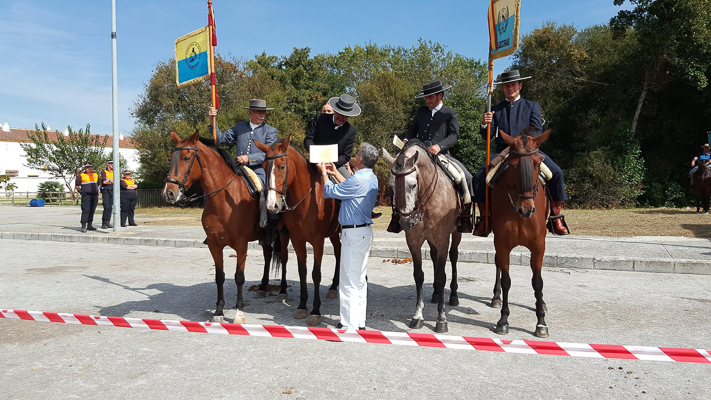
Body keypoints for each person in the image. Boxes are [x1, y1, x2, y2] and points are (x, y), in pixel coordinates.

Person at [475, 69, 569, 236]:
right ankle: (483, 219)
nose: (509, 88)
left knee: (557, 173)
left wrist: (522, 144)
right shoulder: (495, 109)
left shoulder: (532, 106)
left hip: (528, 151)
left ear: (520, 85)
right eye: (506, 86)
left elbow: (537, 130)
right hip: (503, 151)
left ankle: (555, 216)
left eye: (512, 85)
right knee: (479, 177)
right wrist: (485, 124)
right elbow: (487, 137)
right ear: (503, 88)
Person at [387, 80, 474, 233]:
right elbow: (412, 129)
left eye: (430, 97)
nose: (427, 101)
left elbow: (454, 135)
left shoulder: (450, 113)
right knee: (398, 175)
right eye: (426, 98)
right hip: (418, 154)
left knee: (465, 177)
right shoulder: (421, 111)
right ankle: (396, 215)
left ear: (440, 95)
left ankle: (465, 216)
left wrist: (439, 146)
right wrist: (405, 141)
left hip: (441, 154)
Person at [317, 142, 379, 331]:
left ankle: (348, 324)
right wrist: (336, 172)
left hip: (353, 232)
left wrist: (324, 174)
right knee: (359, 280)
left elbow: (330, 192)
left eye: (357, 153)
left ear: (360, 159)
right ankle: (359, 322)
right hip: (364, 231)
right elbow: (350, 188)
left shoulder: (357, 180)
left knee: (348, 281)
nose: (356, 155)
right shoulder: (371, 177)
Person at [209, 99, 278, 228]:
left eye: (263, 112)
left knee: (263, 189)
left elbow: (269, 152)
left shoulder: (270, 131)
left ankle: (268, 224)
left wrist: (249, 158)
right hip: (237, 167)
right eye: (258, 112)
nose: (262, 115)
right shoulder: (240, 126)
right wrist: (212, 120)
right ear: (250, 113)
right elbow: (220, 139)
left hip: (258, 168)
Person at [304, 94, 360, 179]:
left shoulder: (351, 131)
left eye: (345, 116)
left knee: (350, 184)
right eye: (340, 114)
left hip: (335, 166)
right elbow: (309, 139)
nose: (341, 118)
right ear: (335, 111)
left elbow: (346, 155)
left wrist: (330, 164)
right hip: (314, 161)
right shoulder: (320, 118)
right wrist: (315, 156)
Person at [75, 162, 99, 233]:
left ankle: (90, 224)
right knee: (86, 210)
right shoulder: (81, 176)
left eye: (90, 167)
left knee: (92, 210)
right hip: (86, 196)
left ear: (92, 167)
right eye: (87, 167)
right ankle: (83, 225)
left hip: (94, 195)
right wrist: (81, 192)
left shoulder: (95, 175)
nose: (88, 168)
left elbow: (98, 184)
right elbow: (77, 186)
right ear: (85, 168)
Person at [100, 160, 114, 229]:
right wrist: (111, 181)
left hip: (112, 190)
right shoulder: (104, 171)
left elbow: (117, 181)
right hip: (106, 190)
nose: (112, 165)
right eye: (111, 163)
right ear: (108, 164)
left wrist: (110, 182)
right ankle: (104, 222)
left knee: (110, 207)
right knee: (106, 207)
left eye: (113, 164)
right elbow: (104, 182)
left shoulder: (114, 171)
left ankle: (108, 221)